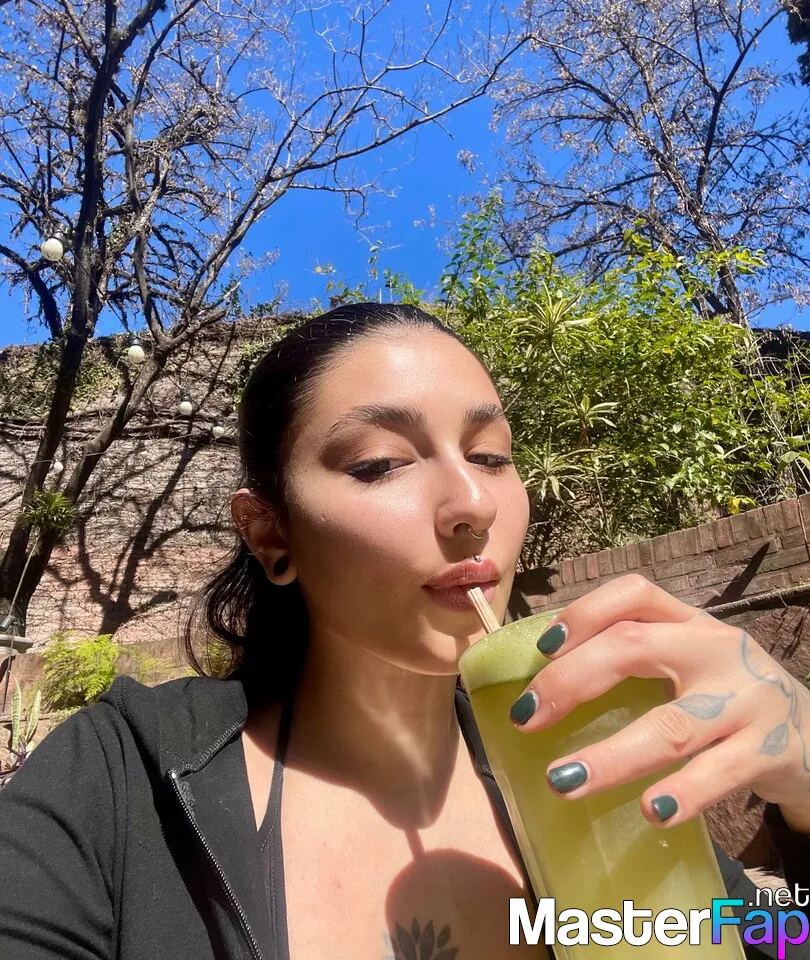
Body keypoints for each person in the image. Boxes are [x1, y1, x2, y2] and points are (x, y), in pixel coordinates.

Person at [1, 301, 810, 960]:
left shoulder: (579, 759)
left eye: (490, 456)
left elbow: (781, 939)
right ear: (271, 533)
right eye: (381, 463)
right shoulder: (119, 783)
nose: (474, 505)